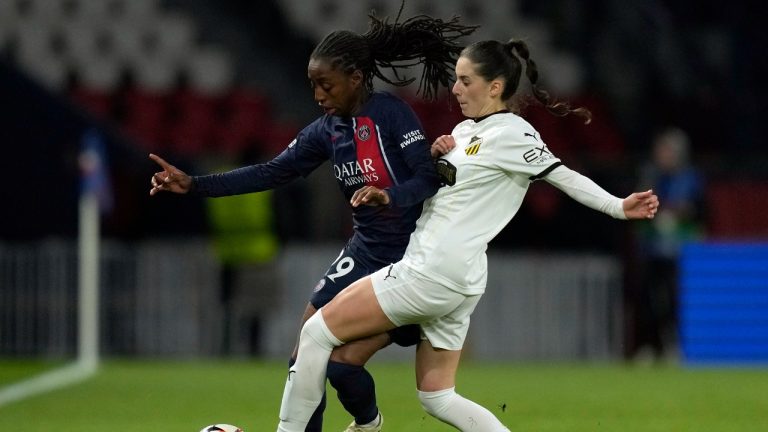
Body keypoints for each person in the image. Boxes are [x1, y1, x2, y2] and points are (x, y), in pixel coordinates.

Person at [276, 38, 659, 432]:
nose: (455, 89)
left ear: (495, 86)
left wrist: (618, 205)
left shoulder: (513, 134)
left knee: (315, 332)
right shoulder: (463, 132)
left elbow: (563, 175)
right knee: (437, 396)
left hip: (431, 269)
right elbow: (445, 190)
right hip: (460, 279)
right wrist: (437, 157)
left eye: (464, 80)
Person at [149, 9, 477, 432]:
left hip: (413, 261)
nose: (319, 94)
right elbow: (271, 171)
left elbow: (427, 177)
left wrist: (388, 194)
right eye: (313, 85)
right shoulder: (326, 131)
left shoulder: (390, 114)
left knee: (338, 366)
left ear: (355, 78)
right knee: (309, 358)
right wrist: (195, 184)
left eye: (326, 84)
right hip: (363, 254)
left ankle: (366, 423)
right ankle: (365, 423)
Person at [630, 126, 704, 361]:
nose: (662, 155)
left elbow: (700, 215)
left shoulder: (691, 179)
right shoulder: (649, 175)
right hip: (652, 250)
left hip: (680, 253)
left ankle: (676, 347)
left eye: (667, 151)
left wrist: (679, 215)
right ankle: (650, 347)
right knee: (647, 301)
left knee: (675, 302)